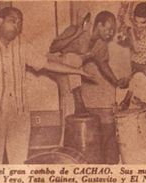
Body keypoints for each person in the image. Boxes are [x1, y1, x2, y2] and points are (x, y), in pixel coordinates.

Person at [0, 7, 93, 164]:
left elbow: (46, 63)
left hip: (19, 114)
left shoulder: (22, 44)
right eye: (13, 21)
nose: (17, 25)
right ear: (0, 21)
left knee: (19, 164)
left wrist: (77, 71)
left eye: (20, 22)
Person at [49, 11, 129, 164]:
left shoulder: (100, 45)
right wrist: (75, 34)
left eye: (113, 30)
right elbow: (53, 47)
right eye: (108, 29)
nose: (111, 33)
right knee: (72, 59)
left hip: (72, 77)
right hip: (55, 64)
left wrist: (116, 81)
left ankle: (67, 151)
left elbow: (103, 65)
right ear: (99, 25)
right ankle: (78, 98)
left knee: (70, 110)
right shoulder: (76, 29)